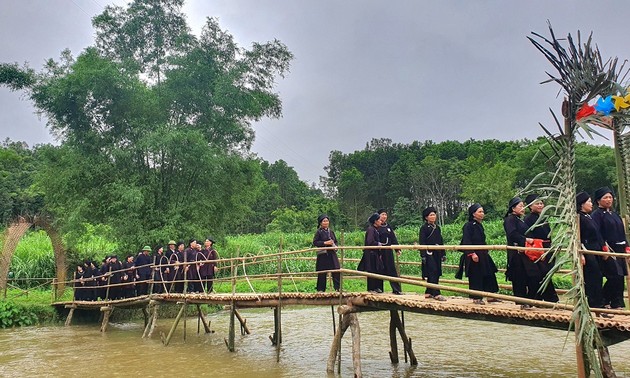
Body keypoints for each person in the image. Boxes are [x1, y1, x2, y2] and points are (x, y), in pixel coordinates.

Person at [592, 187, 628, 309]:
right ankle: (605, 298)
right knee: (614, 275)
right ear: (598, 201)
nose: (609, 200)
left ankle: (617, 302)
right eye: (605, 197)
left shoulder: (614, 214)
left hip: (620, 248)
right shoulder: (597, 215)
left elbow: (622, 232)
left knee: (621, 275)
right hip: (609, 249)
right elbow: (597, 233)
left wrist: (627, 246)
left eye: (610, 197)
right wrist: (603, 248)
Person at [504, 196, 542, 308]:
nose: (523, 208)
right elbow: (512, 234)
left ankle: (530, 299)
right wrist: (525, 240)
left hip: (525, 252)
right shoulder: (510, 219)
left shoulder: (519, 220)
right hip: (517, 253)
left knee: (534, 275)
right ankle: (522, 302)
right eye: (520, 206)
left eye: (523, 206)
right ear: (513, 208)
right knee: (519, 277)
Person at [458, 203, 499, 305]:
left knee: (490, 273)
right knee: (476, 275)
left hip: (483, 253)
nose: (482, 213)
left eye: (483, 211)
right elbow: (467, 241)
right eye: (480, 211)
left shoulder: (480, 225)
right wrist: (472, 253)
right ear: (473, 214)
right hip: (474, 254)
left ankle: (490, 296)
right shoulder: (468, 226)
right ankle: (476, 297)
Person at [523, 194, 559, 302]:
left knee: (546, 273)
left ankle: (542, 298)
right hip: (538, 249)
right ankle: (550, 299)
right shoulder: (528, 219)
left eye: (541, 203)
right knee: (541, 274)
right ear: (530, 206)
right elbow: (529, 236)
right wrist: (539, 251)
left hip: (547, 247)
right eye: (537, 203)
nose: (540, 205)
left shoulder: (543, 217)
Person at [577, 191, 608, 314]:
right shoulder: (578, 217)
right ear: (581, 204)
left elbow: (598, 234)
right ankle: (595, 305)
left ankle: (598, 304)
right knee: (593, 276)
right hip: (587, 249)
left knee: (598, 276)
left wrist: (603, 248)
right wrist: (582, 253)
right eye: (588, 202)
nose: (591, 204)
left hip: (596, 249)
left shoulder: (588, 216)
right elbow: (577, 237)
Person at [419, 207, 446, 301]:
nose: (433, 216)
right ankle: (436, 293)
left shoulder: (437, 228)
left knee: (436, 271)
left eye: (434, 214)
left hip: (437, 253)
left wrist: (443, 253)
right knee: (432, 271)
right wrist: (423, 255)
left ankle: (429, 291)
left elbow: (441, 241)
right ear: (426, 217)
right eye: (431, 215)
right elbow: (422, 242)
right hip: (428, 253)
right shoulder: (424, 228)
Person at [312, 214, 341, 292]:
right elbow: (315, 242)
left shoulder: (331, 231)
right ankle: (321, 290)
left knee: (336, 269)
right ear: (320, 223)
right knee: (322, 272)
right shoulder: (319, 232)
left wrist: (335, 246)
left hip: (331, 254)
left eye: (327, 221)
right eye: (324, 221)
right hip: (323, 254)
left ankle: (338, 288)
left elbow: (336, 241)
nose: (326, 223)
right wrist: (325, 243)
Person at [376, 209, 402, 295]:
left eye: (385, 215)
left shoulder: (388, 226)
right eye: (382, 214)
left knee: (392, 270)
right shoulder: (376, 227)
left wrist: (397, 249)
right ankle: (379, 288)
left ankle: (396, 289)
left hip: (388, 252)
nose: (384, 216)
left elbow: (393, 238)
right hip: (380, 252)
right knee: (380, 269)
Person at [358, 213, 385, 293]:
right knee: (372, 271)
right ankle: (371, 288)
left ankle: (376, 287)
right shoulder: (371, 229)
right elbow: (370, 242)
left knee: (377, 270)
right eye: (379, 220)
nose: (381, 221)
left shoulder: (376, 230)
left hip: (375, 254)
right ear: (375, 221)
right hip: (371, 254)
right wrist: (378, 244)